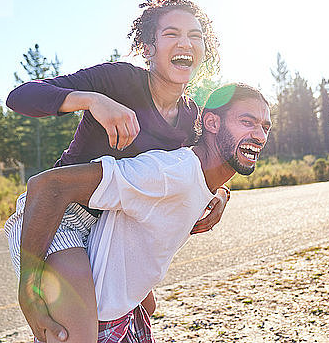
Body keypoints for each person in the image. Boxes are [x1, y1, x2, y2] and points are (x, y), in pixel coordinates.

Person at [4, 0, 231, 342]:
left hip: (116, 231)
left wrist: (220, 194)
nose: (185, 43)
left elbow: (205, 165)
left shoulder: (190, 119)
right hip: (57, 213)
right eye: (171, 33)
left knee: (145, 311)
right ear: (149, 47)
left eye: (195, 36)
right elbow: (22, 96)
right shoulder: (117, 81)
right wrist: (91, 100)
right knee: (77, 334)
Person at [20, 83, 272, 342]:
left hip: (127, 309)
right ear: (212, 123)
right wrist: (27, 289)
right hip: (95, 316)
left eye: (265, 127)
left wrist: (221, 192)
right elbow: (48, 185)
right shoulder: (170, 173)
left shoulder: (201, 179)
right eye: (247, 122)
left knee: (150, 307)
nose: (260, 136)